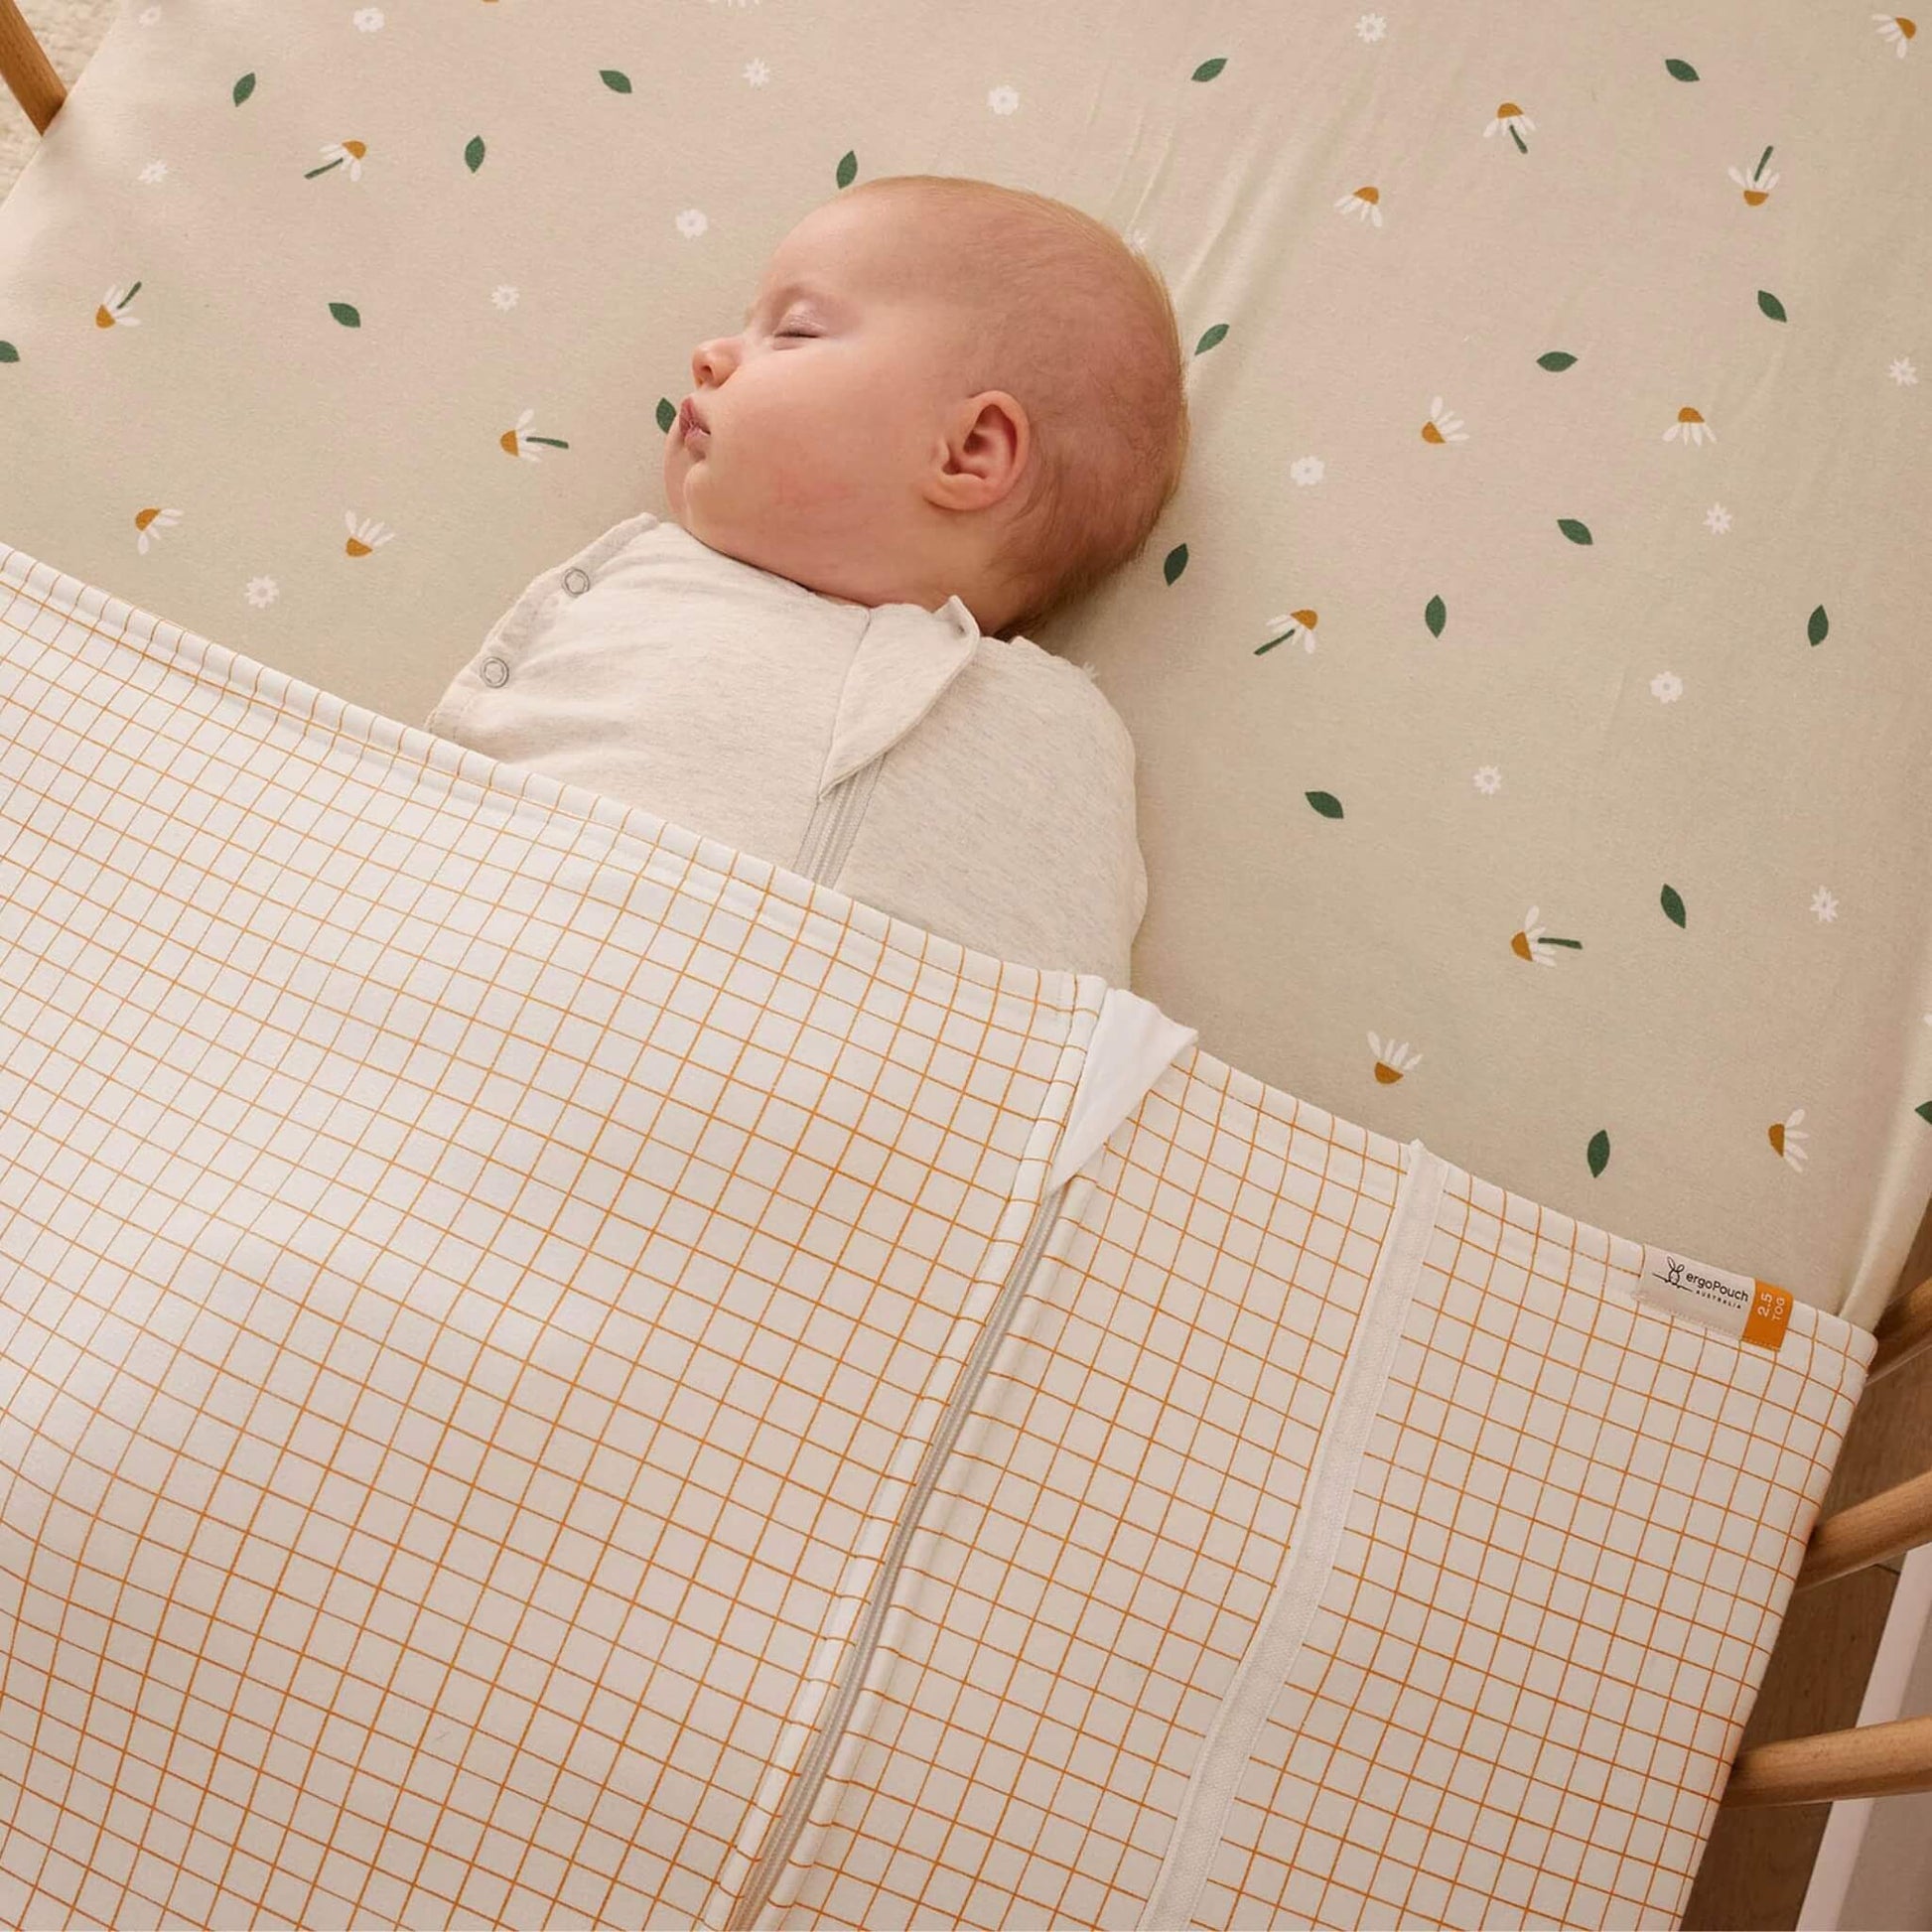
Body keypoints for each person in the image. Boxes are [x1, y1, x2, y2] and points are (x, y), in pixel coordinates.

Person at [426, 174, 1190, 985]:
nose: (709, 355)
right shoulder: (650, 586)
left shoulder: (1054, 738)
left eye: (793, 331)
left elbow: (1064, 1024)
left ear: (968, 450)